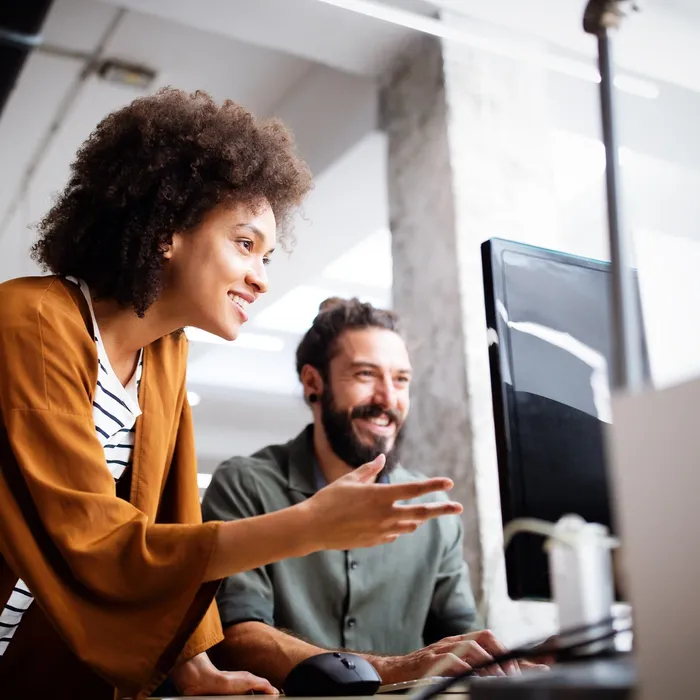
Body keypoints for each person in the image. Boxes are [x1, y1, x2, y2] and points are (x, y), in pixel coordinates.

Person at [0, 90, 463, 700]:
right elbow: (95, 540)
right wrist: (306, 527)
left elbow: (168, 515)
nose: (261, 277)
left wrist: (199, 673)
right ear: (167, 231)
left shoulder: (164, 352)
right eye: (245, 244)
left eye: (267, 256)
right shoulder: (31, 321)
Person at [202, 298, 523, 687]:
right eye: (366, 374)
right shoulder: (245, 486)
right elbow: (234, 637)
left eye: (401, 379)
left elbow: (460, 640)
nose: (388, 399)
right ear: (312, 383)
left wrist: (521, 664)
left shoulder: (434, 510)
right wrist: (390, 669)